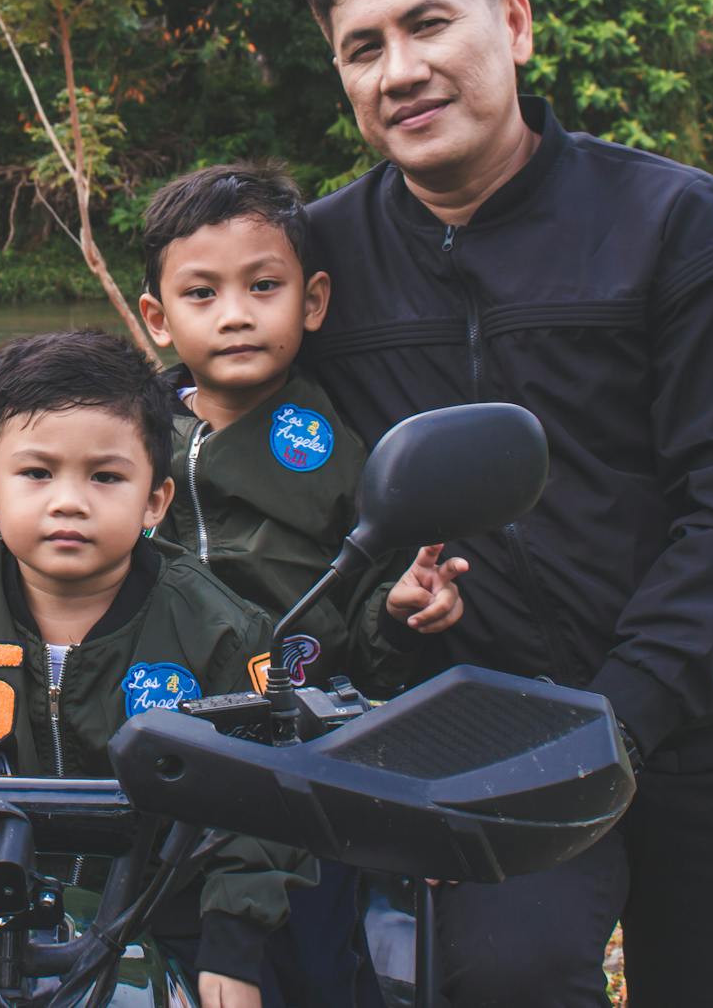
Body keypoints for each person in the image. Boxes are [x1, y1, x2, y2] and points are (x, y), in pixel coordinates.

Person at [295, 0, 713, 1007]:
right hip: (489, 722)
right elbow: (216, 416)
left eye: (428, 23)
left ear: (514, 23)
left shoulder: (672, 224)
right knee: (499, 977)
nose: (398, 71)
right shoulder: (322, 262)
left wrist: (618, 712)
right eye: (360, 47)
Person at [0, 329, 313, 1008]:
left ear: (156, 501)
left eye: (105, 476)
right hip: (1, 899)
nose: (69, 500)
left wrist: (234, 944)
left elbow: (262, 804)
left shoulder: (220, 627)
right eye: (37, 473)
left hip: (175, 904)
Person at [137, 160, 468, 1006]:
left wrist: (401, 610)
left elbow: (366, 626)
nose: (237, 314)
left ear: (312, 301)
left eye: (264, 285)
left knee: (318, 962)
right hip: (158, 733)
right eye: (202, 294)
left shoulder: (331, 445)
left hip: (299, 747)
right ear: (158, 317)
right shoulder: (132, 438)